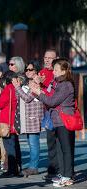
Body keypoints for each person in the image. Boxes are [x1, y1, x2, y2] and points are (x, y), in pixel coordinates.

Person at [30, 58, 75, 187]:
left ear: (64, 71)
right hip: (57, 120)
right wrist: (39, 90)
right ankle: (63, 174)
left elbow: (52, 101)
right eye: (54, 69)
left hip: (64, 120)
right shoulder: (57, 83)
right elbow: (49, 97)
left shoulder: (66, 84)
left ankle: (67, 176)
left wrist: (39, 92)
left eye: (56, 70)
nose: (53, 72)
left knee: (66, 149)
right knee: (60, 149)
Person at [12, 61, 44, 177]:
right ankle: (32, 165)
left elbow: (27, 98)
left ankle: (33, 167)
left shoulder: (37, 82)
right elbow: (18, 97)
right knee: (31, 143)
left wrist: (17, 87)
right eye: (27, 70)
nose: (28, 72)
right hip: (26, 116)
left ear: (36, 71)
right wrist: (19, 88)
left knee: (33, 143)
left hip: (34, 116)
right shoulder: (27, 82)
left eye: (31, 70)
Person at [0, 71, 20, 177]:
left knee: (9, 147)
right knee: (12, 145)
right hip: (12, 121)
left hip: (6, 122)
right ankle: (14, 169)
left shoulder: (9, 89)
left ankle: (12, 170)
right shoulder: (14, 89)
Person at [36, 49, 59, 181]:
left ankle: (64, 171)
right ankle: (52, 170)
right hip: (47, 111)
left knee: (60, 143)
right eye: (45, 57)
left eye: (50, 58)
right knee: (50, 142)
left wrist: (41, 84)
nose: (47, 60)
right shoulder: (42, 72)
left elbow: (53, 92)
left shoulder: (58, 73)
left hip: (57, 111)